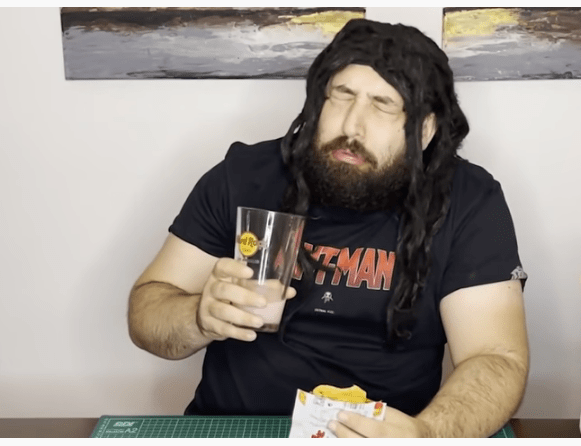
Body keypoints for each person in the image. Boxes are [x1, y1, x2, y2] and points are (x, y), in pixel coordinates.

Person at [128, 18, 529, 438]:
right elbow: (147, 310)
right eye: (342, 96)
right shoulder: (244, 176)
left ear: (425, 129)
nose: (352, 126)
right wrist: (198, 316)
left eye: (382, 105)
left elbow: (496, 357)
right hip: (233, 429)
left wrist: (426, 433)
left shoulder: (467, 200)